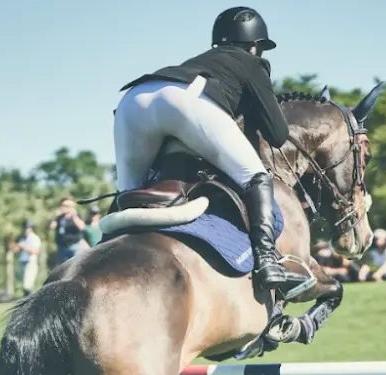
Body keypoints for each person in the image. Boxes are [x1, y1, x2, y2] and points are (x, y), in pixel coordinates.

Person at [112, 6, 312, 300]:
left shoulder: (200, 62)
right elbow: (279, 135)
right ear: (255, 46)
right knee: (255, 175)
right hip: (184, 103)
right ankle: (268, 261)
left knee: (129, 195)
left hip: (134, 100)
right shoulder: (252, 63)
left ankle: (106, 251)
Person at [50, 197, 86, 265]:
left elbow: (82, 227)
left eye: (68, 206)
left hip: (75, 246)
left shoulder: (76, 216)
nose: (65, 208)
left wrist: (74, 216)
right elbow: (52, 226)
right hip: (62, 247)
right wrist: (54, 217)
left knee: (76, 267)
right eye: (63, 206)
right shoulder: (60, 217)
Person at [13, 220, 43, 295]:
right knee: (23, 284)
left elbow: (35, 251)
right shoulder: (22, 238)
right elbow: (16, 249)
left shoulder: (35, 238)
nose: (25, 230)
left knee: (27, 285)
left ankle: (31, 299)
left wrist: (23, 247)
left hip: (30, 262)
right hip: (22, 261)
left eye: (27, 228)